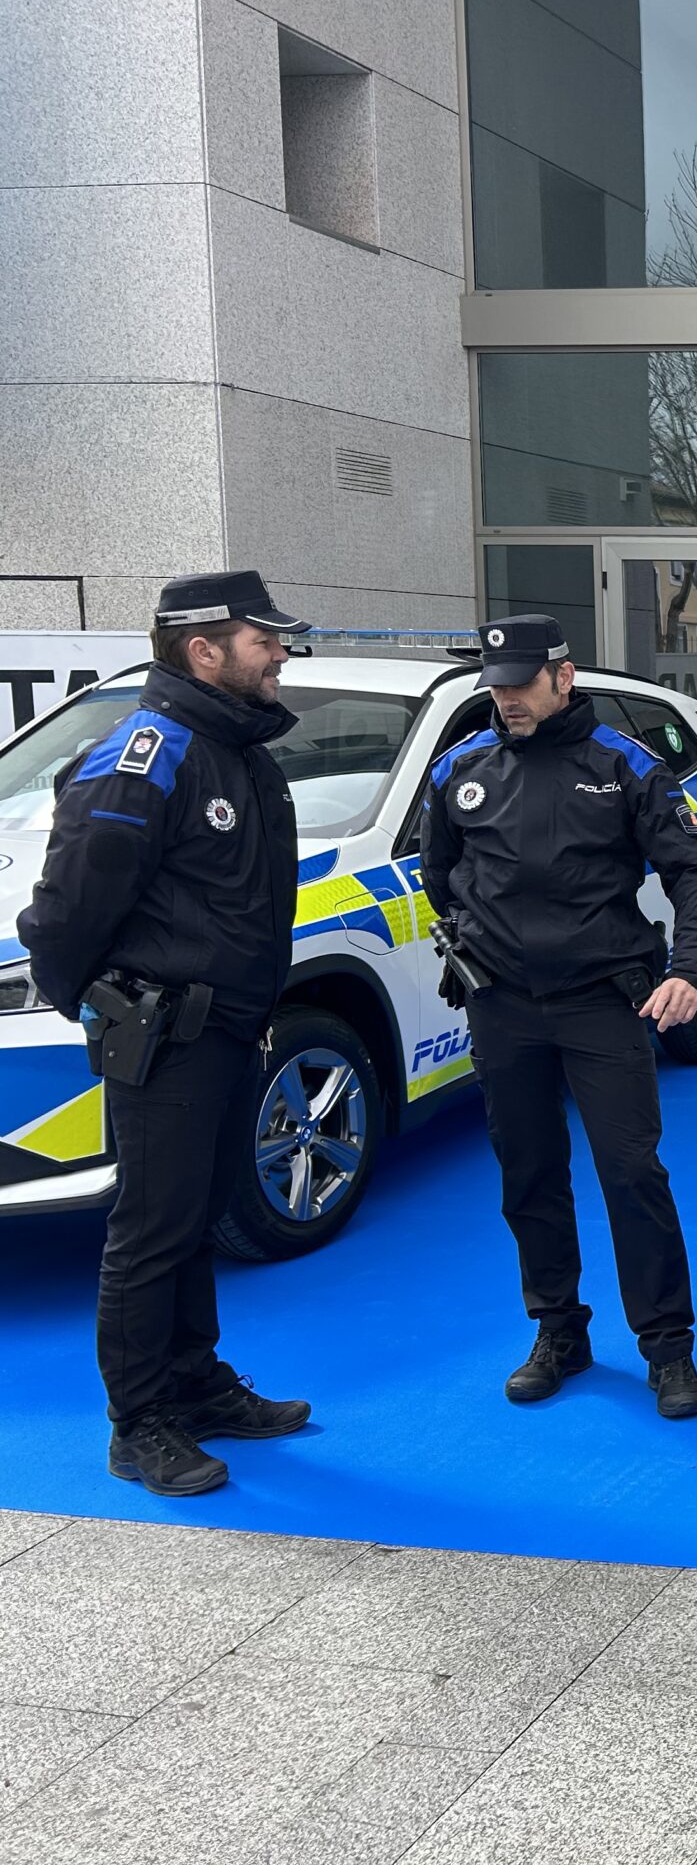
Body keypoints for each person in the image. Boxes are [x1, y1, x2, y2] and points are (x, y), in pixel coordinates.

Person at [17, 570, 318, 1496]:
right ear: (203, 650)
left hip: (229, 1030)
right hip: (168, 1038)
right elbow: (65, 911)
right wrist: (95, 1001)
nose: (279, 654)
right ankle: (139, 1423)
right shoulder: (147, 755)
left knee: (196, 1219)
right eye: (263, 640)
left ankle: (195, 1383)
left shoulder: (238, 750)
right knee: (151, 1231)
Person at [419, 615, 697, 1418]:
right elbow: (440, 874)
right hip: (501, 1006)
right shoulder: (460, 768)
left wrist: (692, 972)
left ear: (564, 677)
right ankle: (558, 1331)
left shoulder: (625, 765)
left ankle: (668, 1347)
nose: (507, 699)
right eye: (496, 686)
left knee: (631, 1173)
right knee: (528, 1173)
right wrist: (481, 942)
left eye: (522, 684)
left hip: (602, 1003)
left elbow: (696, 874)